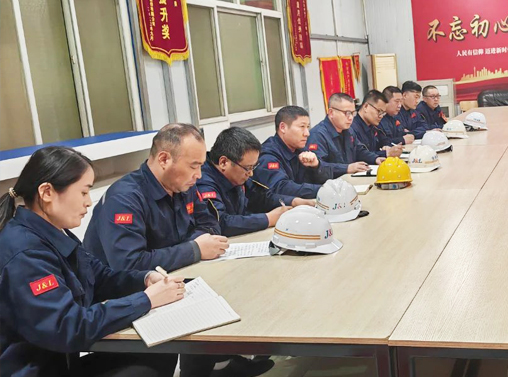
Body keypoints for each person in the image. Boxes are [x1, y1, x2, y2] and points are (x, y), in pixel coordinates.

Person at [0, 146, 183, 377]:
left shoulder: (53, 233)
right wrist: (145, 300)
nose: (88, 202)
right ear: (47, 192)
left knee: (160, 351)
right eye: (83, 192)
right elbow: (68, 326)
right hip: (35, 370)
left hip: (59, 362)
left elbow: (100, 277)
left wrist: (145, 279)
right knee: (142, 371)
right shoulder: (25, 253)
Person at [84, 124, 228, 272]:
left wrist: (187, 249)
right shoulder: (124, 199)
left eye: (201, 166)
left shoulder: (183, 186)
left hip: (175, 273)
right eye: (193, 166)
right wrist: (193, 249)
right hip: (126, 286)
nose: (199, 175)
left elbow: (210, 224)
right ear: (164, 159)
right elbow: (129, 265)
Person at [197, 127, 313, 238]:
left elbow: (261, 197)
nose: (251, 173)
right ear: (223, 162)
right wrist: (268, 219)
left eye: (253, 167)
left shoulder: (238, 174)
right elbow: (221, 223)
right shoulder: (203, 181)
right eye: (248, 168)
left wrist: (293, 201)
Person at [250, 106, 335, 201]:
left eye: (307, 127)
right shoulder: (268, 155)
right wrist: (322, 190)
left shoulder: (300, 149)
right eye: (302, 127)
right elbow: (281, 188)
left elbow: (324, 178)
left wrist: (317, 166)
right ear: (283, 127)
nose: (307, 133)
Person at [306, 93, 382, 178]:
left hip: (348, 180)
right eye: (347, 113)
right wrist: (346, 168)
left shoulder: (348, 130)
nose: (351, 118)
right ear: (331, 112)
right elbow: (319, 167)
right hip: (329, 184)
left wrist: (376, 158)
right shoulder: (318, 135)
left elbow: (358, 150)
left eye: (353, 113)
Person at [351, 90, 404, 157]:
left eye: (383, 113)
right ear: (366, 107)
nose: (381, 116)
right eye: (379, 111)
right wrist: (386, 153)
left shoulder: (373, 127)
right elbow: (360, 155)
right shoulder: (352, 128)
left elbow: (384, 141)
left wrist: (386, 147)